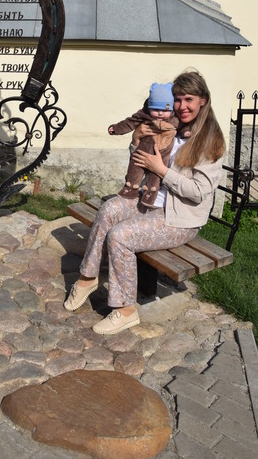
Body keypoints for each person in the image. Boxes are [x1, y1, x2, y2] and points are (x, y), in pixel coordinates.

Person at [64, 70, 226, 336]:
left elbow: (199, 192)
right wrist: (136, 140)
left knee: (120, 237)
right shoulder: (171, 125)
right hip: (150, 200)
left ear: (203, 101)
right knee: (109, 209)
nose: (182, 106)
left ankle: (126, 310)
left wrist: (161, 170)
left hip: (179, 218)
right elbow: (142, 159)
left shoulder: (209, 140)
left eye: (188, 99)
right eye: (177, 99)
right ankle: (88, 278)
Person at [108, 82, 179, 206]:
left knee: (155, 176)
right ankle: (130, 188)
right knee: (136, 166)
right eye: (156, 109)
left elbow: (184, 127)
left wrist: (188, 131)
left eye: (165, 110)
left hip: (162, 153)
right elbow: (130, 122)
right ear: (149, 108)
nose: (160, 113)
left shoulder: (175, 119)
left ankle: (150, 194)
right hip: (144, 148)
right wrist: (117, 128)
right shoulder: (145, 116)